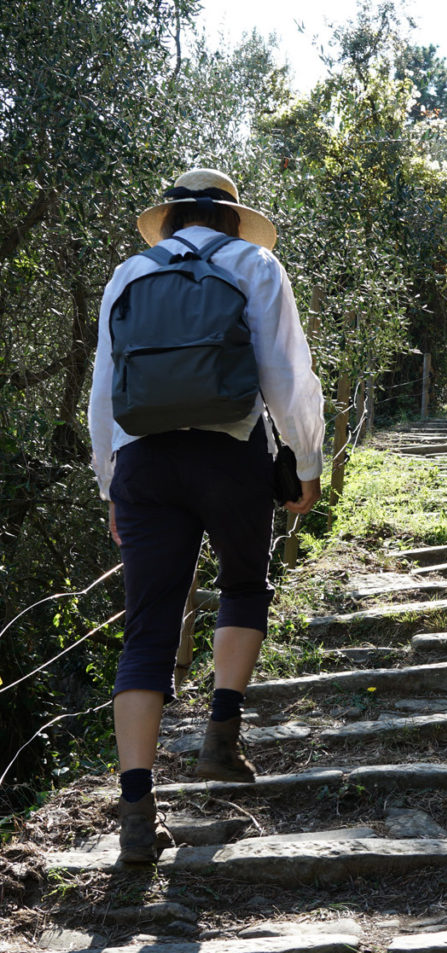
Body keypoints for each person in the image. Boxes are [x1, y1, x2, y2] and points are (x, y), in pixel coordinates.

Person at [88, 168, 325, 864]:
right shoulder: (256, 262)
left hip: (145, 465)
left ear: (170, 219)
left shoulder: (128, 274)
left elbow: (105, 390)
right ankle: (221, 736)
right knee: (246, 583)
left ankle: (136, 813)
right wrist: (305, 464)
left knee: (147, 627)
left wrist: (110, 485)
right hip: (231, 453)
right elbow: (286, 373)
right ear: (230, 219)